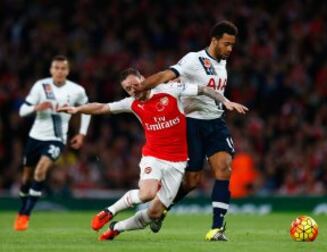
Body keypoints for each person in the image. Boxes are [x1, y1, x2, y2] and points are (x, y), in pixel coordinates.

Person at [58, 68, 247, 240]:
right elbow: (101, 107)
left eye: (135, 84)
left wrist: (225, 101)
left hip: (178, 162)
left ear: (144, 80)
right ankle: (109, 211)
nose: (133, 90)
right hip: (154, 157)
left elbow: (203, 89)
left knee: (155, 213)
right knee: (147, 193)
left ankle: (117, 228)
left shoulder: (169, 91)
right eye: (128, 88)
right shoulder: (131, 103)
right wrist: (77, 109)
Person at [135, 20, 241, 241]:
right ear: (214, 40)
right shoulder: (194, 59)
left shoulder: (222, 63)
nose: (230, 49)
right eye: (227, 44)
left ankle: (217, 229)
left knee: (224, 168)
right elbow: (167, 74)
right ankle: (162, 207)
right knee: (192, 182)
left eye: (232, 45)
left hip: (216, 123)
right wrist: (144, 86)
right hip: (191, 125)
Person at [14, 55, 91, 231]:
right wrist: (36, 108)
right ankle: (24, 203)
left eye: (63, 68)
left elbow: (87, 110)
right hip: (35, 138)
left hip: (57, 139)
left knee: (41, 170)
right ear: (51, 70)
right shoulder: (41, 86)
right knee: (26, 179)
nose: (59, 71)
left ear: (68, 71)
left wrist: (81, 133)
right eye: (56, 68)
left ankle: (25, 214)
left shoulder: (77, 90)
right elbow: (22, 110)